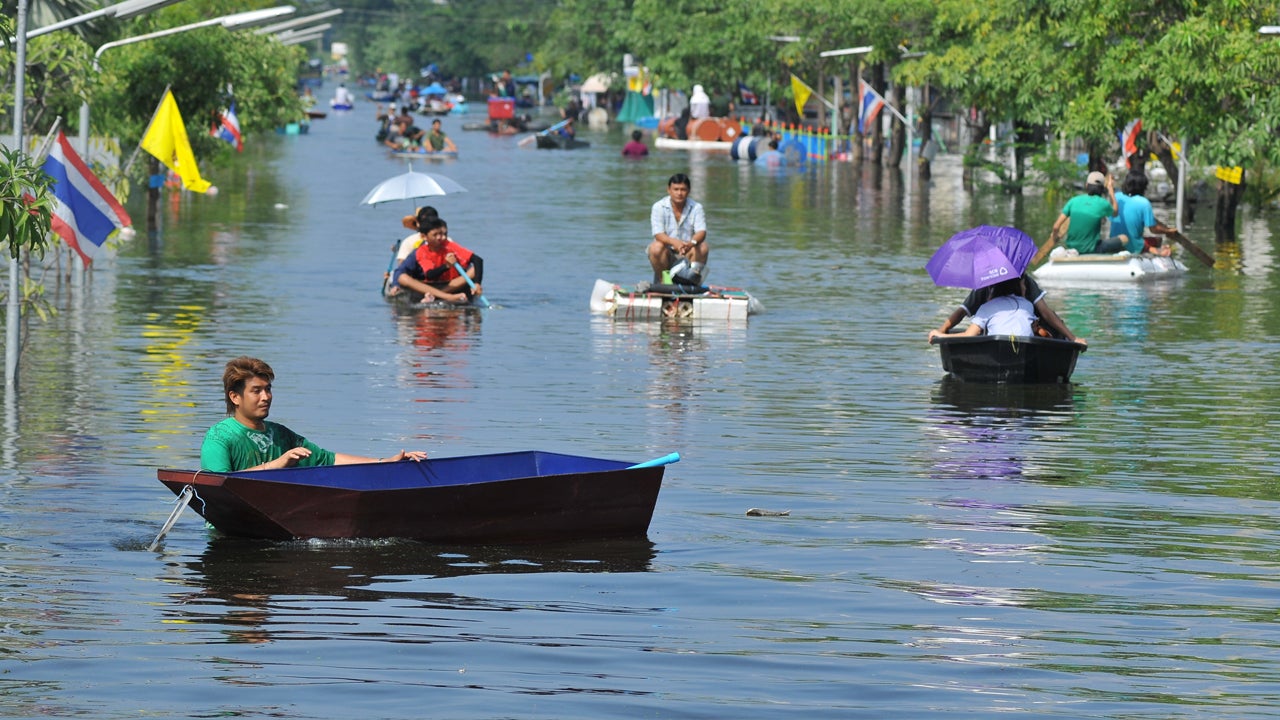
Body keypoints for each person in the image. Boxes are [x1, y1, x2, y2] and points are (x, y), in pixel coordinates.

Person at [201, 356, 426, 473]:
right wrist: (278, 464)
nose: (266, 397)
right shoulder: (219, 437)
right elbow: (219, 486)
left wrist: (385, 462)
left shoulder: (282, 435)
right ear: (235, 397)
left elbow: (328, 459)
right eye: (256, 391)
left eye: (268, 389)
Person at [928, 272, 1086, 345]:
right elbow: (962, 311)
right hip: (1023, 339)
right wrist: (942, 330)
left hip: (1024, 332)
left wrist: (1072, 338)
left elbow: (1046, 313)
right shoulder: (985, 285)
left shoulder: (1025, 281)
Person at [391, 217, 484, 304]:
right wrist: (446, 266)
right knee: (402, 277)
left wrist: (477, 284)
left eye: (441, 234)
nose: (441, 238)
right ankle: (447, 297)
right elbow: (430, 275)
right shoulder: (422, 251)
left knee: (473, 270)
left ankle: (436, 296)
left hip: (449, 285)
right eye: (435, 235)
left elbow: (478, 260)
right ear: (424, 237)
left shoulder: (449, 245)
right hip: (430, 285)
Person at [1038, 170, 1119, 259]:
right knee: (1123, 238)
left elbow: (1056, 226)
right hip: (1092, 250)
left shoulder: (1073, 201)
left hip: (1072, 249)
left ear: (1086, 185)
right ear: (1102, 189)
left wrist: (1055, 236)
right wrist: (1111, 191)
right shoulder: (1103, 204)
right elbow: (1115, 212)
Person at [649, 173, 709, 285]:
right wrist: (674, 242)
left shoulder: (696, 207)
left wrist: (690, 244)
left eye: (683, 189)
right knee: (655, 247)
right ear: (669, 190)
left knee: (703, 247)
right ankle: (665, 282)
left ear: (689, 191)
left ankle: (691, 281)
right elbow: (658, 234)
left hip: (688, 251)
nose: (679, 193)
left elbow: (701, 232)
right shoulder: (658, 207)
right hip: (667, 254)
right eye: (676, 189)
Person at [1110, 171, 1175, 255]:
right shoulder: (1144, 202)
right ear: (1143, 187)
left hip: (1114, 243)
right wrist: (1167, 231)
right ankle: (1153, 251)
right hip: (1133, 246)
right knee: (1158, 240)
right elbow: (1153, 229)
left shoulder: (1116, 197)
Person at [953, 277, 1037, 338]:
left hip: (996, 352)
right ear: (1017, 287)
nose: (1025, 288)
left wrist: (942, 335)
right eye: (1023, 284)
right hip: (1024, 352)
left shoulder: (986, 307)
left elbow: (969, 335)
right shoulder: (1028, 305)